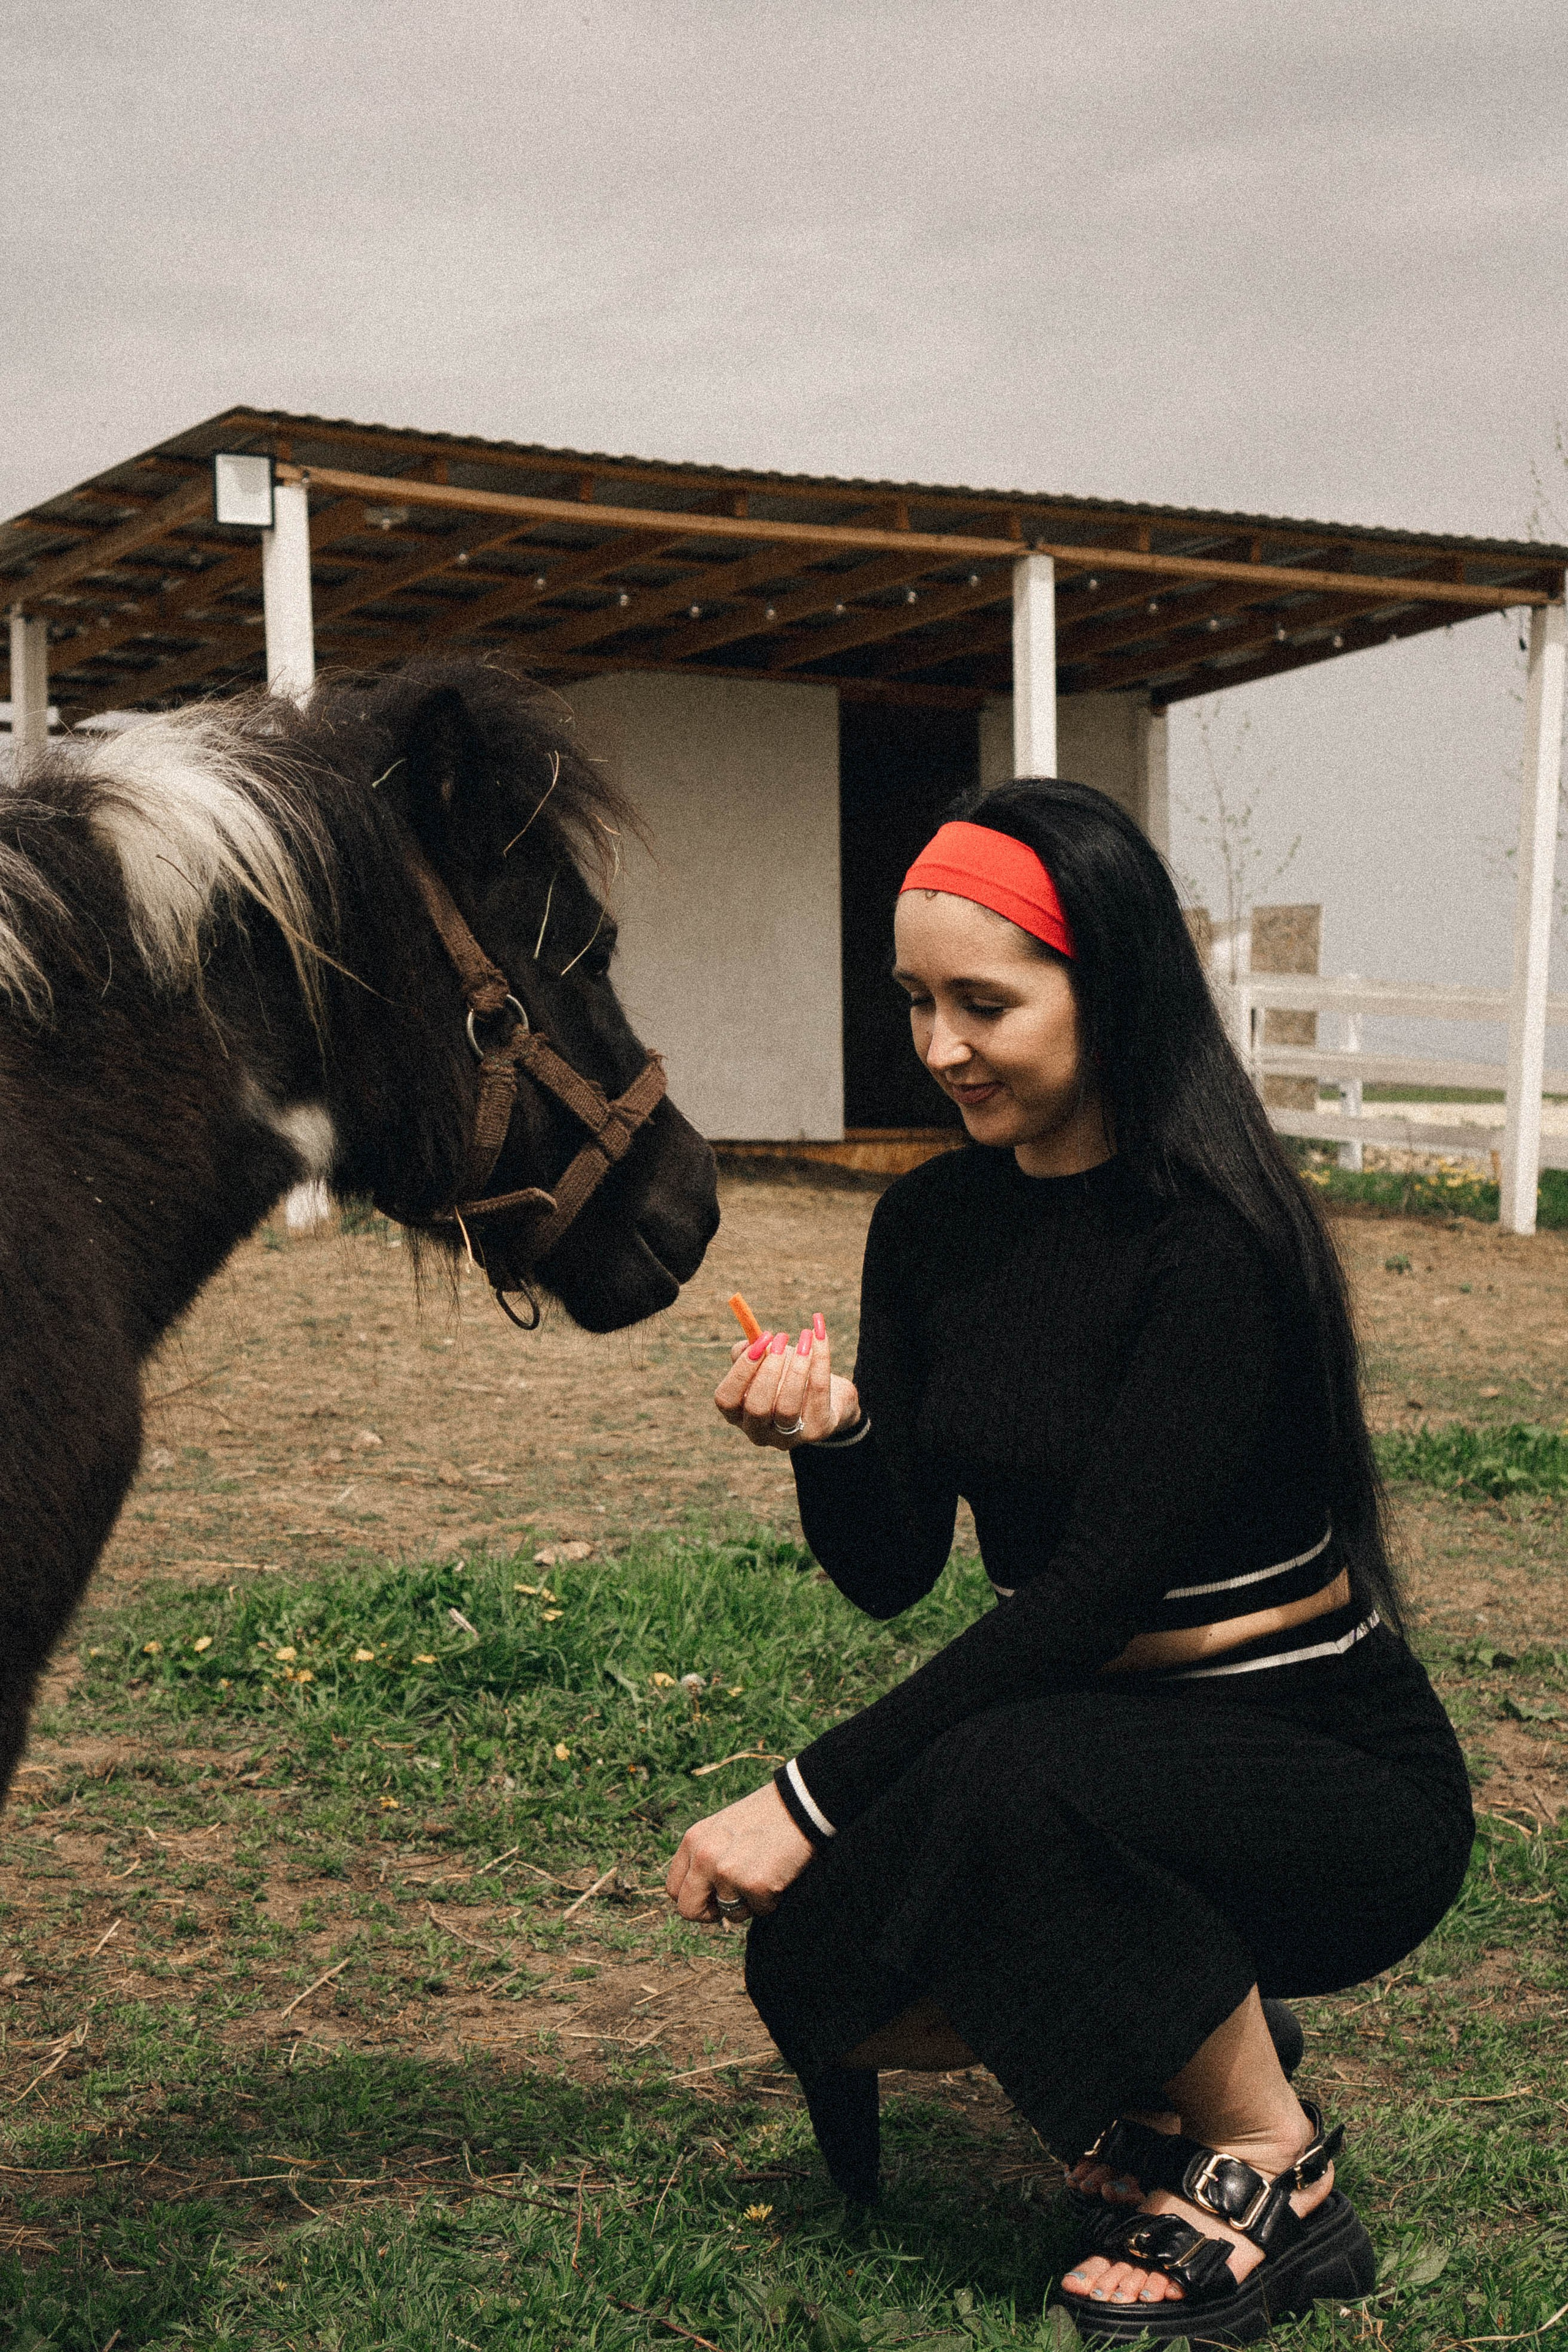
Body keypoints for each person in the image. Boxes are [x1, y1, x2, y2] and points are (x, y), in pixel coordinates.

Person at [666, 781, 1473, 2343]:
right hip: (1097, 1753)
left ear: (1104, 984)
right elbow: (899, 1571)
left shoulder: (1214, 1240)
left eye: (985, 1001)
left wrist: (804, 1795)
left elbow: (1089, 1593)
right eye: (913, 1001)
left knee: (1001, 1779)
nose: (940, 1046)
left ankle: (1263, 2156)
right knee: (818, 1978)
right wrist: (832, 1440)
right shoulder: (927, 1226)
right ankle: (1177, 2030)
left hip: (1320, 1770)